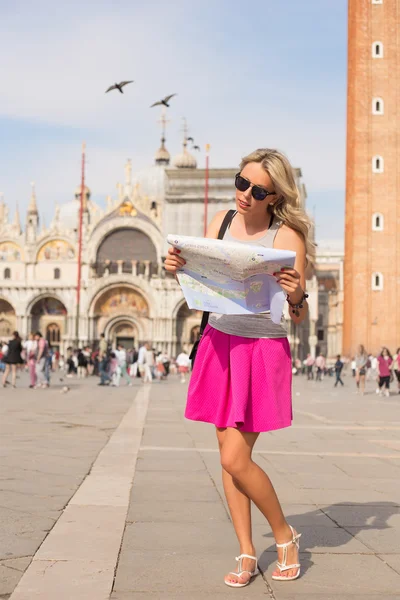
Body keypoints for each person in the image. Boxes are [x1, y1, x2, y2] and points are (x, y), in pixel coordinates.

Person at [165, 148, 314, 586]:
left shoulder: (287, 238)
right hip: (218, 343)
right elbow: (203, 284)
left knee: (235, 457)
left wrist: (295, 294)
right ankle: (247, 552)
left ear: (274, 196)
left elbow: (298, 315)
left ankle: (284, 534)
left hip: (260, 348)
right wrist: (178, 269)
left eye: (258, 189)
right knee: (227, 459)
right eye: (241, 182)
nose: (246, 193)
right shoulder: (221, 223)